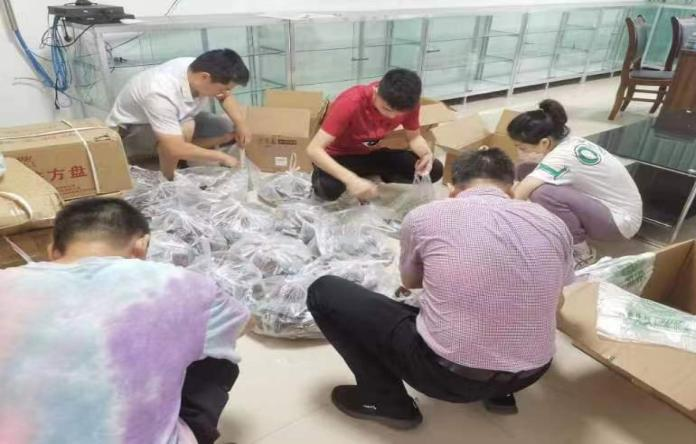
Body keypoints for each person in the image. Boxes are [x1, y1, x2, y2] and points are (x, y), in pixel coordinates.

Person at [307, 148, 573, 429]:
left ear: (452, 189)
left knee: (324, 291)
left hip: (447, 378)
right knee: (505, 297)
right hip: (532, 372)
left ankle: (387, 402)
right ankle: (499, 395)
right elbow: (557, 301)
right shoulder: (553, 224)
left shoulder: (427, 215)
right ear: (511, 189)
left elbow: (410, 283)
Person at [0, 198, 249, 444]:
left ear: (52, 250)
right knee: (217, 357)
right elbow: (244, 323)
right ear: (142, 245)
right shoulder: (181, 285)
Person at [508, 99, 643, 269]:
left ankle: (582, 253)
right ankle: (557, 229)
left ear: (545, 142)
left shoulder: (563, 156)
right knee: (524, 169)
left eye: (523, 148)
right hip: (608, 209)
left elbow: (521, 192)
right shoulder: (569, 143)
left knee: (543, 193)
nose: (519, 152)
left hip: (619, 223)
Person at [106, 49, 252, 180]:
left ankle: (186, 154)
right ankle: (168, 179)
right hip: (133, 131)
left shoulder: (200, 68)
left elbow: (225, 97)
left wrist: (241, 125)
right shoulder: (159, 92)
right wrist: (221, 157)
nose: (225, 93)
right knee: (185, 129)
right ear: (204, 77)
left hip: (176, 116)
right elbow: (174, 147)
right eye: (223, 89)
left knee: (225, 126)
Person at [307, 68, 444, 202]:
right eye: (386, 109)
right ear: (376, 92)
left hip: (372, 154)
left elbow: (414, 137)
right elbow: (313, 149)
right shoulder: (351, 102)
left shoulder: (409, 105)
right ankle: (354, 178)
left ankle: (368, 177)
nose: (392, 116)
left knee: (434, 170)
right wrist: (351, 180)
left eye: (399, 113)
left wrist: (426, 154)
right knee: (328, 190)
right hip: (338, 156)